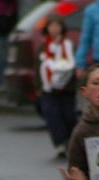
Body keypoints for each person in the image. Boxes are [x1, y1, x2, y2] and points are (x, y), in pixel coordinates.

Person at [36, 15, 77, 159]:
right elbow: (39, 67)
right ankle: (59, 143)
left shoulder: (68, 45)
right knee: (52, 114)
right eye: (51, 26)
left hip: (66, 88)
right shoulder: (43, 47)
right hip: (48, 89)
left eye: (57, 25)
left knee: (69, 115)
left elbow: (72, 65)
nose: (54, 29)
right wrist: (39, 86)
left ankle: (70, 141)